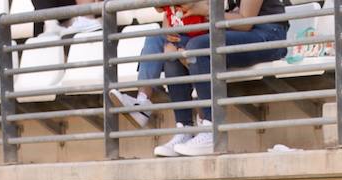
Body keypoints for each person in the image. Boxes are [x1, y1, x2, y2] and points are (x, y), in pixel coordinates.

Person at [154, 0, 286, 157]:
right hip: (234, 31)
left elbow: (245, 22)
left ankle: (211, 130)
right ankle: (185, 130)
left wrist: (205, 11)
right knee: (174, 54)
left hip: (268, 34)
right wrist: (172, 34)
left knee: (198, 47)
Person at [111, 2, 205, 129]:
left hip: (200, 37)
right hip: (180, 35)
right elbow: (164, 13)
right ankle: (142, 103)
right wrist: (167, 32)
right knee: (154, 38)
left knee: (174, 56)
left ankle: (202, 119)